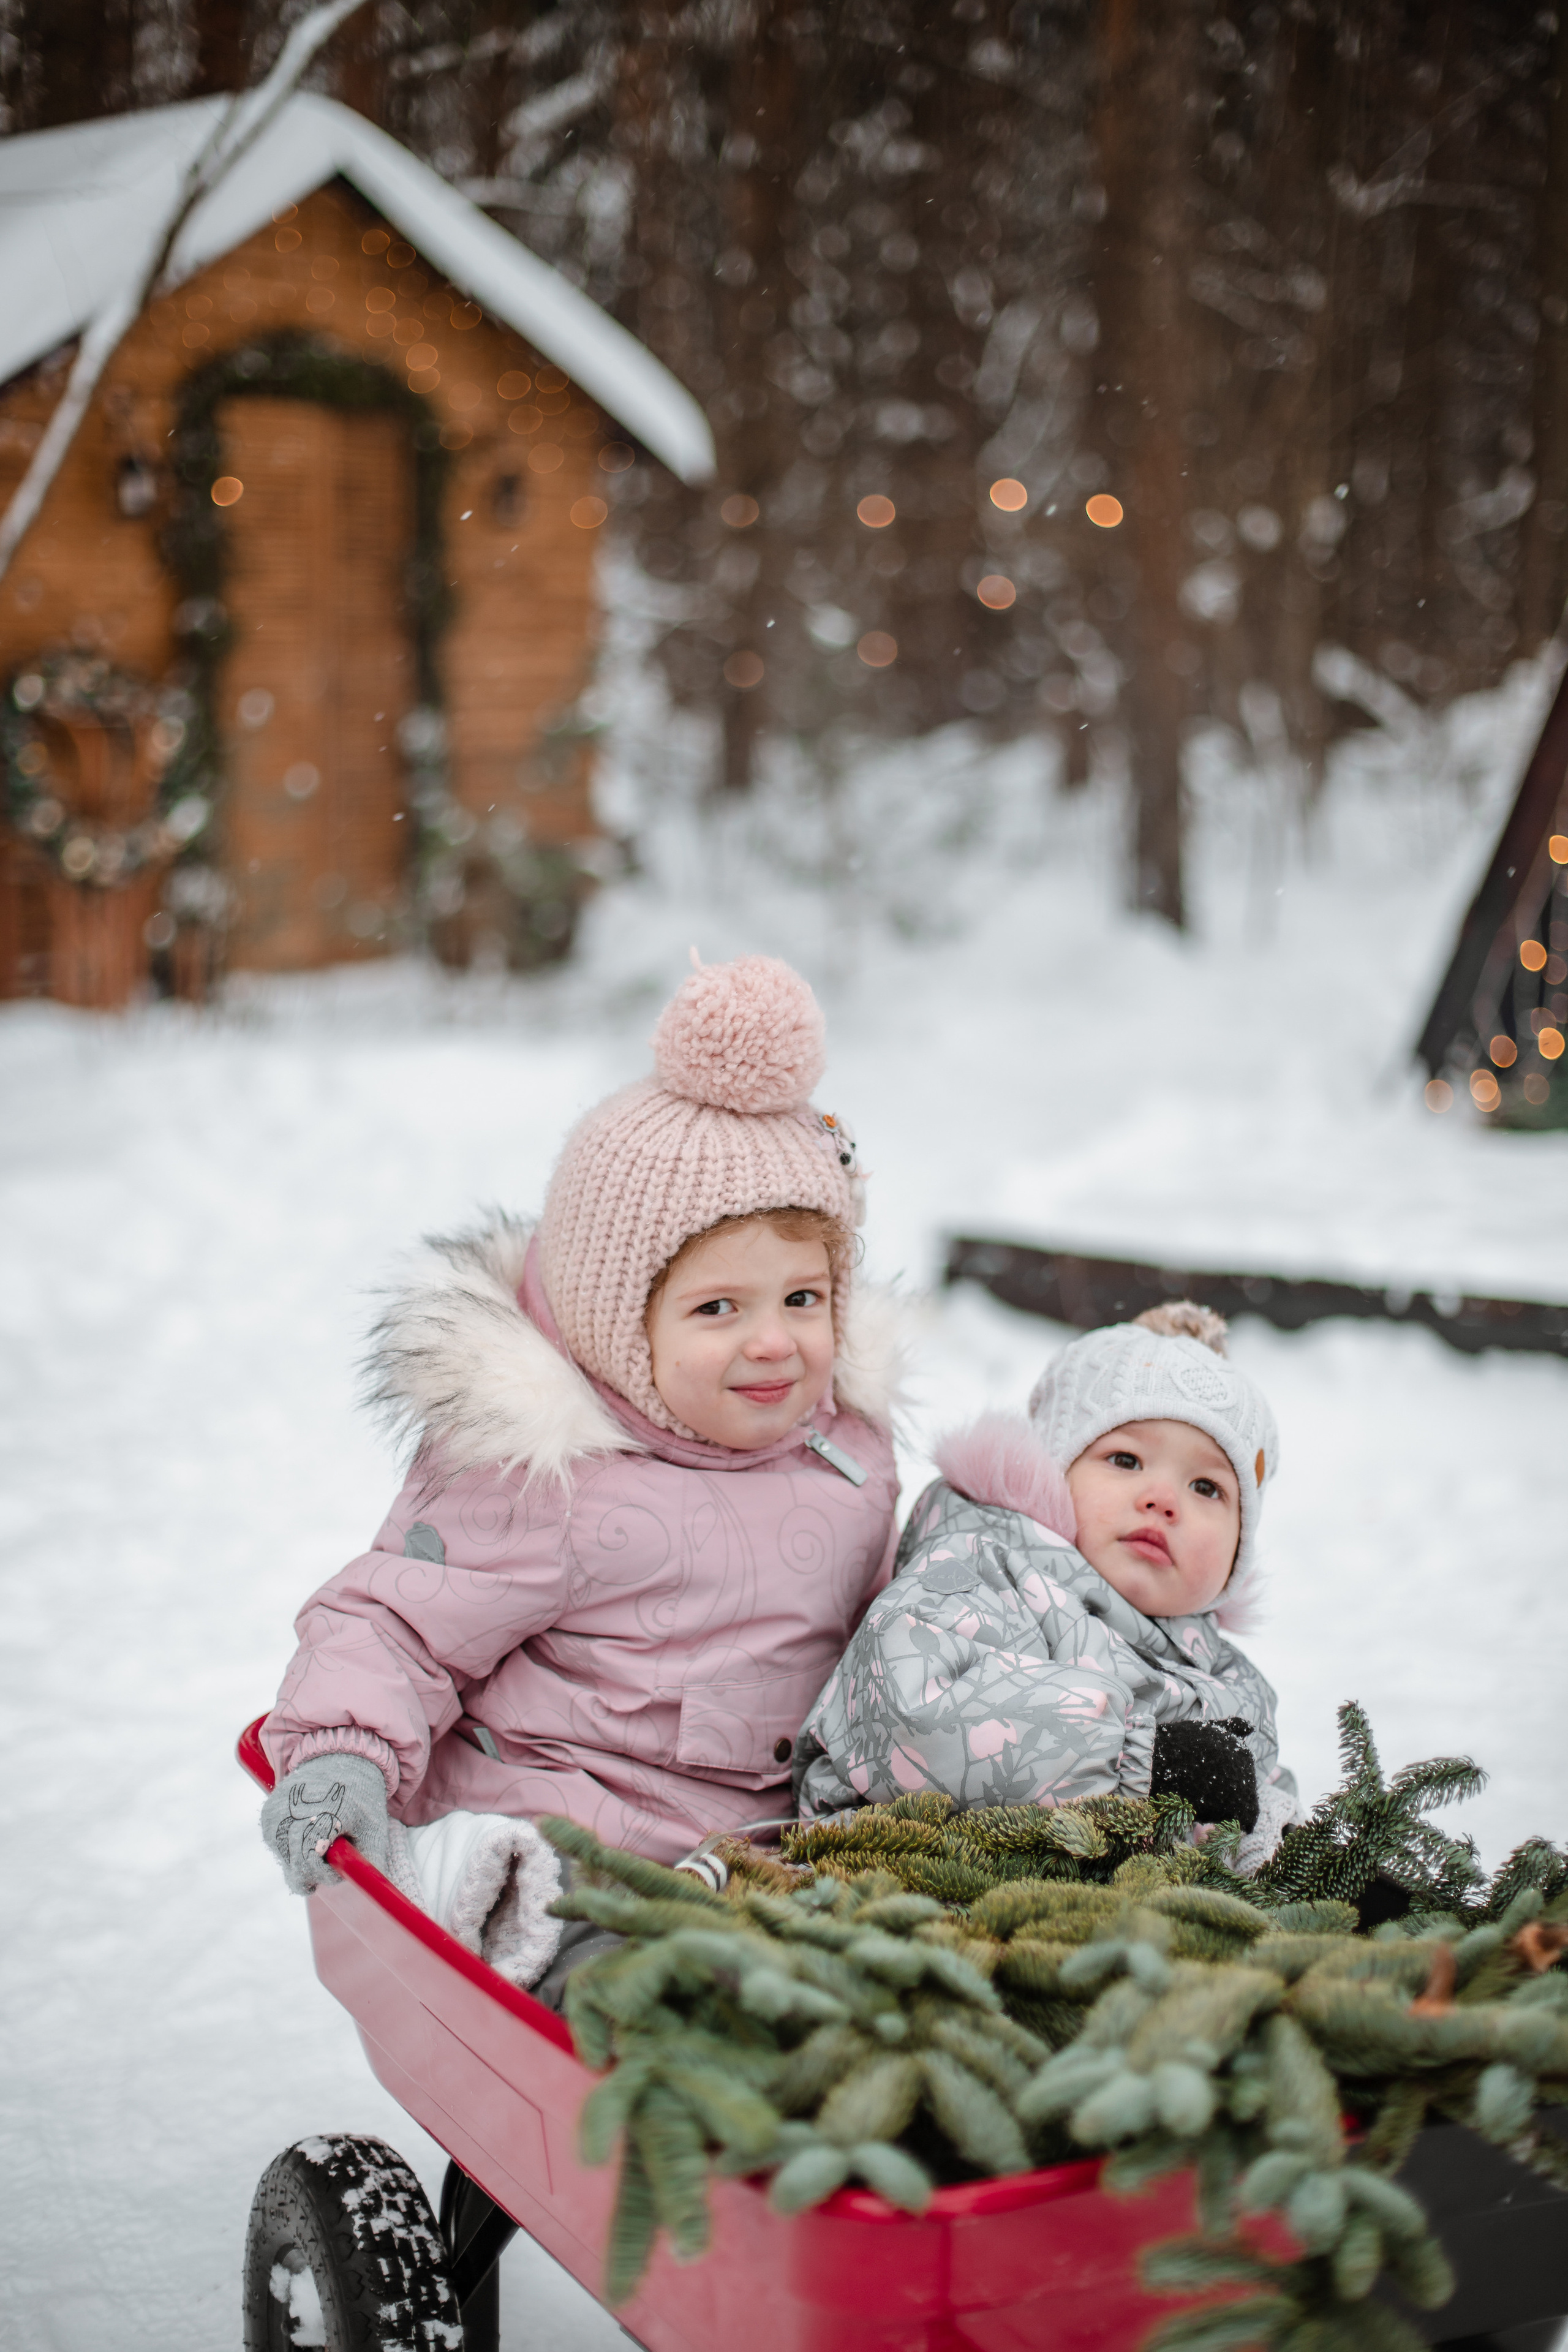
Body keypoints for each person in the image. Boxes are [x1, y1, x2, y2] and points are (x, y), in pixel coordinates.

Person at [258, 956, 904, 1954]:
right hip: (565, 1853)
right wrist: (344, 1750)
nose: (775, 1342)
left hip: (764, 1867)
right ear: (615, 1319)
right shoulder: (548, 1477)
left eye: (803, 1299)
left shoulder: (849, 1453)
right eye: (718, 1309)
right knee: (623, 1975)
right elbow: (397, 1624)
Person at [795, 1302, 1298, 1874]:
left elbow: (1257, 1796)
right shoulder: (984, 1572)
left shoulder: (1230, 1682)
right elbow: (910, 1713)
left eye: (1207, 1487)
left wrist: (1286, 1852)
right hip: (911, 1874)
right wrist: (1138, 1760)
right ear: (1051, 1471)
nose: (1163, 1499)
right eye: (1126, 1459)